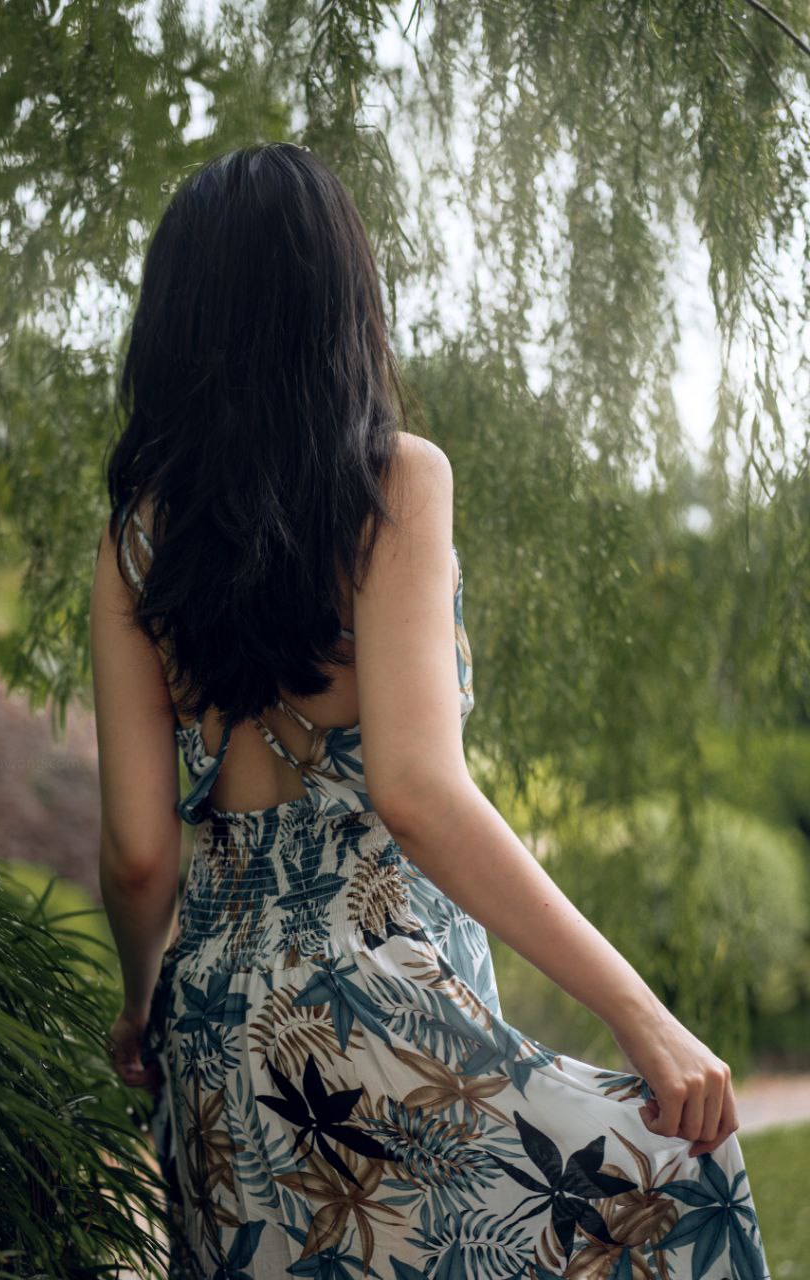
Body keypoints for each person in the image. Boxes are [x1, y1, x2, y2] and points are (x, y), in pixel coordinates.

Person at [90, 142, 770, 1279]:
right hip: (377, 1003)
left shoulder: (130, 540)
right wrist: (643, 1017)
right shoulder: (391, 483)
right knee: (671, 1200)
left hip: (209, 1027)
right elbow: (416, 792)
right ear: (338, 304)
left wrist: (140, 1001)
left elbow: (138, 851)